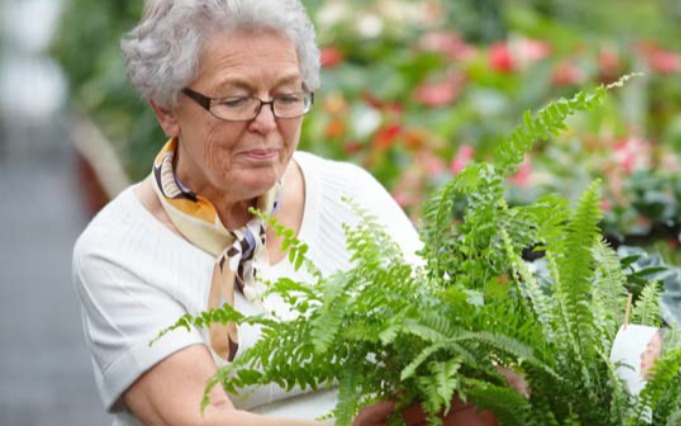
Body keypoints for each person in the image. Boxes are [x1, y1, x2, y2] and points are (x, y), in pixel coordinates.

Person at [71, 1, 421, 424]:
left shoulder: (350, 196)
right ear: (165, 109)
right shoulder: (118, 251)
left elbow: (447, 347)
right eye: (236, 100)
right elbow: (206, 417)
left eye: (288, 96)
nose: (267, 122)